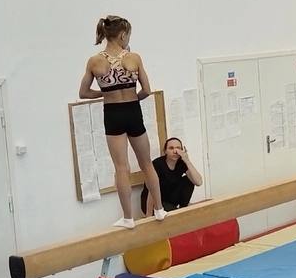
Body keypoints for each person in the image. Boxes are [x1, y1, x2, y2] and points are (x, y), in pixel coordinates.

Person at [78, 15, 165, 228]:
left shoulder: (94, 61)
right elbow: (146, 90)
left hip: (112, 113)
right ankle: (160, 209)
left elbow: (83, 93)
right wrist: (133, 98)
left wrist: (105, 93)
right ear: (123, 35)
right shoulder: (134, 58)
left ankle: (128, 218)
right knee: (146, 164)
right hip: (133, 111)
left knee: (121, 168)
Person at [141, 137, 204, 214]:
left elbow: (198, 182)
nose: (175, 151)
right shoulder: (157, 164)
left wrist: (187, 160)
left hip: (169, 199)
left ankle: (183, 208)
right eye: (171, 148)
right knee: (176, 214)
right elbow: (151, 191)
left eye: (178, 148)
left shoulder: (181, 162)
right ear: (165, 151)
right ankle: (177, 211)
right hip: (154, 202)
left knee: (189, 180)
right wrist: (149, 215)